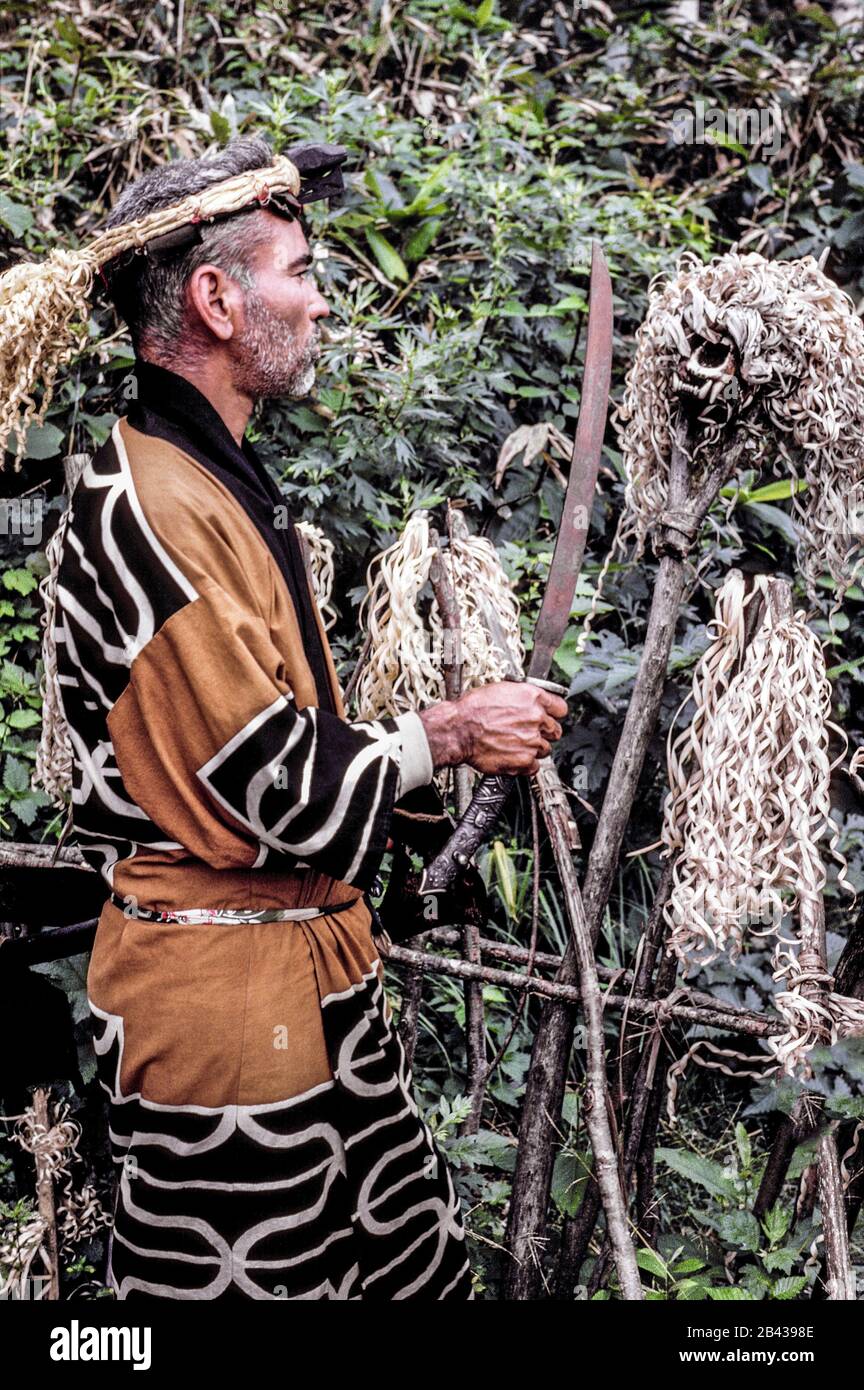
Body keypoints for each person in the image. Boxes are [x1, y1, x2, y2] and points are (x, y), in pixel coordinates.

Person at [52, 135, 568, 1300]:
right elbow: (268, 781)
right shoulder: (151, 507)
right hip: (222, 1021)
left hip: (303, 982)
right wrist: (446, 734)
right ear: (217, 299)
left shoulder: (209, 477)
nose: (323, 302)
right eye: (299, 271)